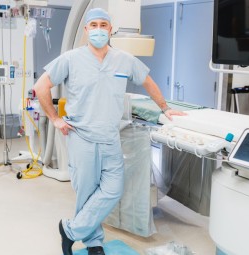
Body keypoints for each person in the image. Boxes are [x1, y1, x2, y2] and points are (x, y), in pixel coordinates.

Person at [33, 8, 186, 255]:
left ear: (111, 29)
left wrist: (165, 108)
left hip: (110, 138)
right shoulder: (71, 59)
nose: (98, 29)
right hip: (82, 137)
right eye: (93, 25)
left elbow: (147, 81)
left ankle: (70, 230)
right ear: (86, 30)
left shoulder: (124, 59)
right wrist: (55, 118)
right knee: (87, 193)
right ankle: (94, 242)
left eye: (103, 25)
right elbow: (41, 86)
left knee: (113, 189)